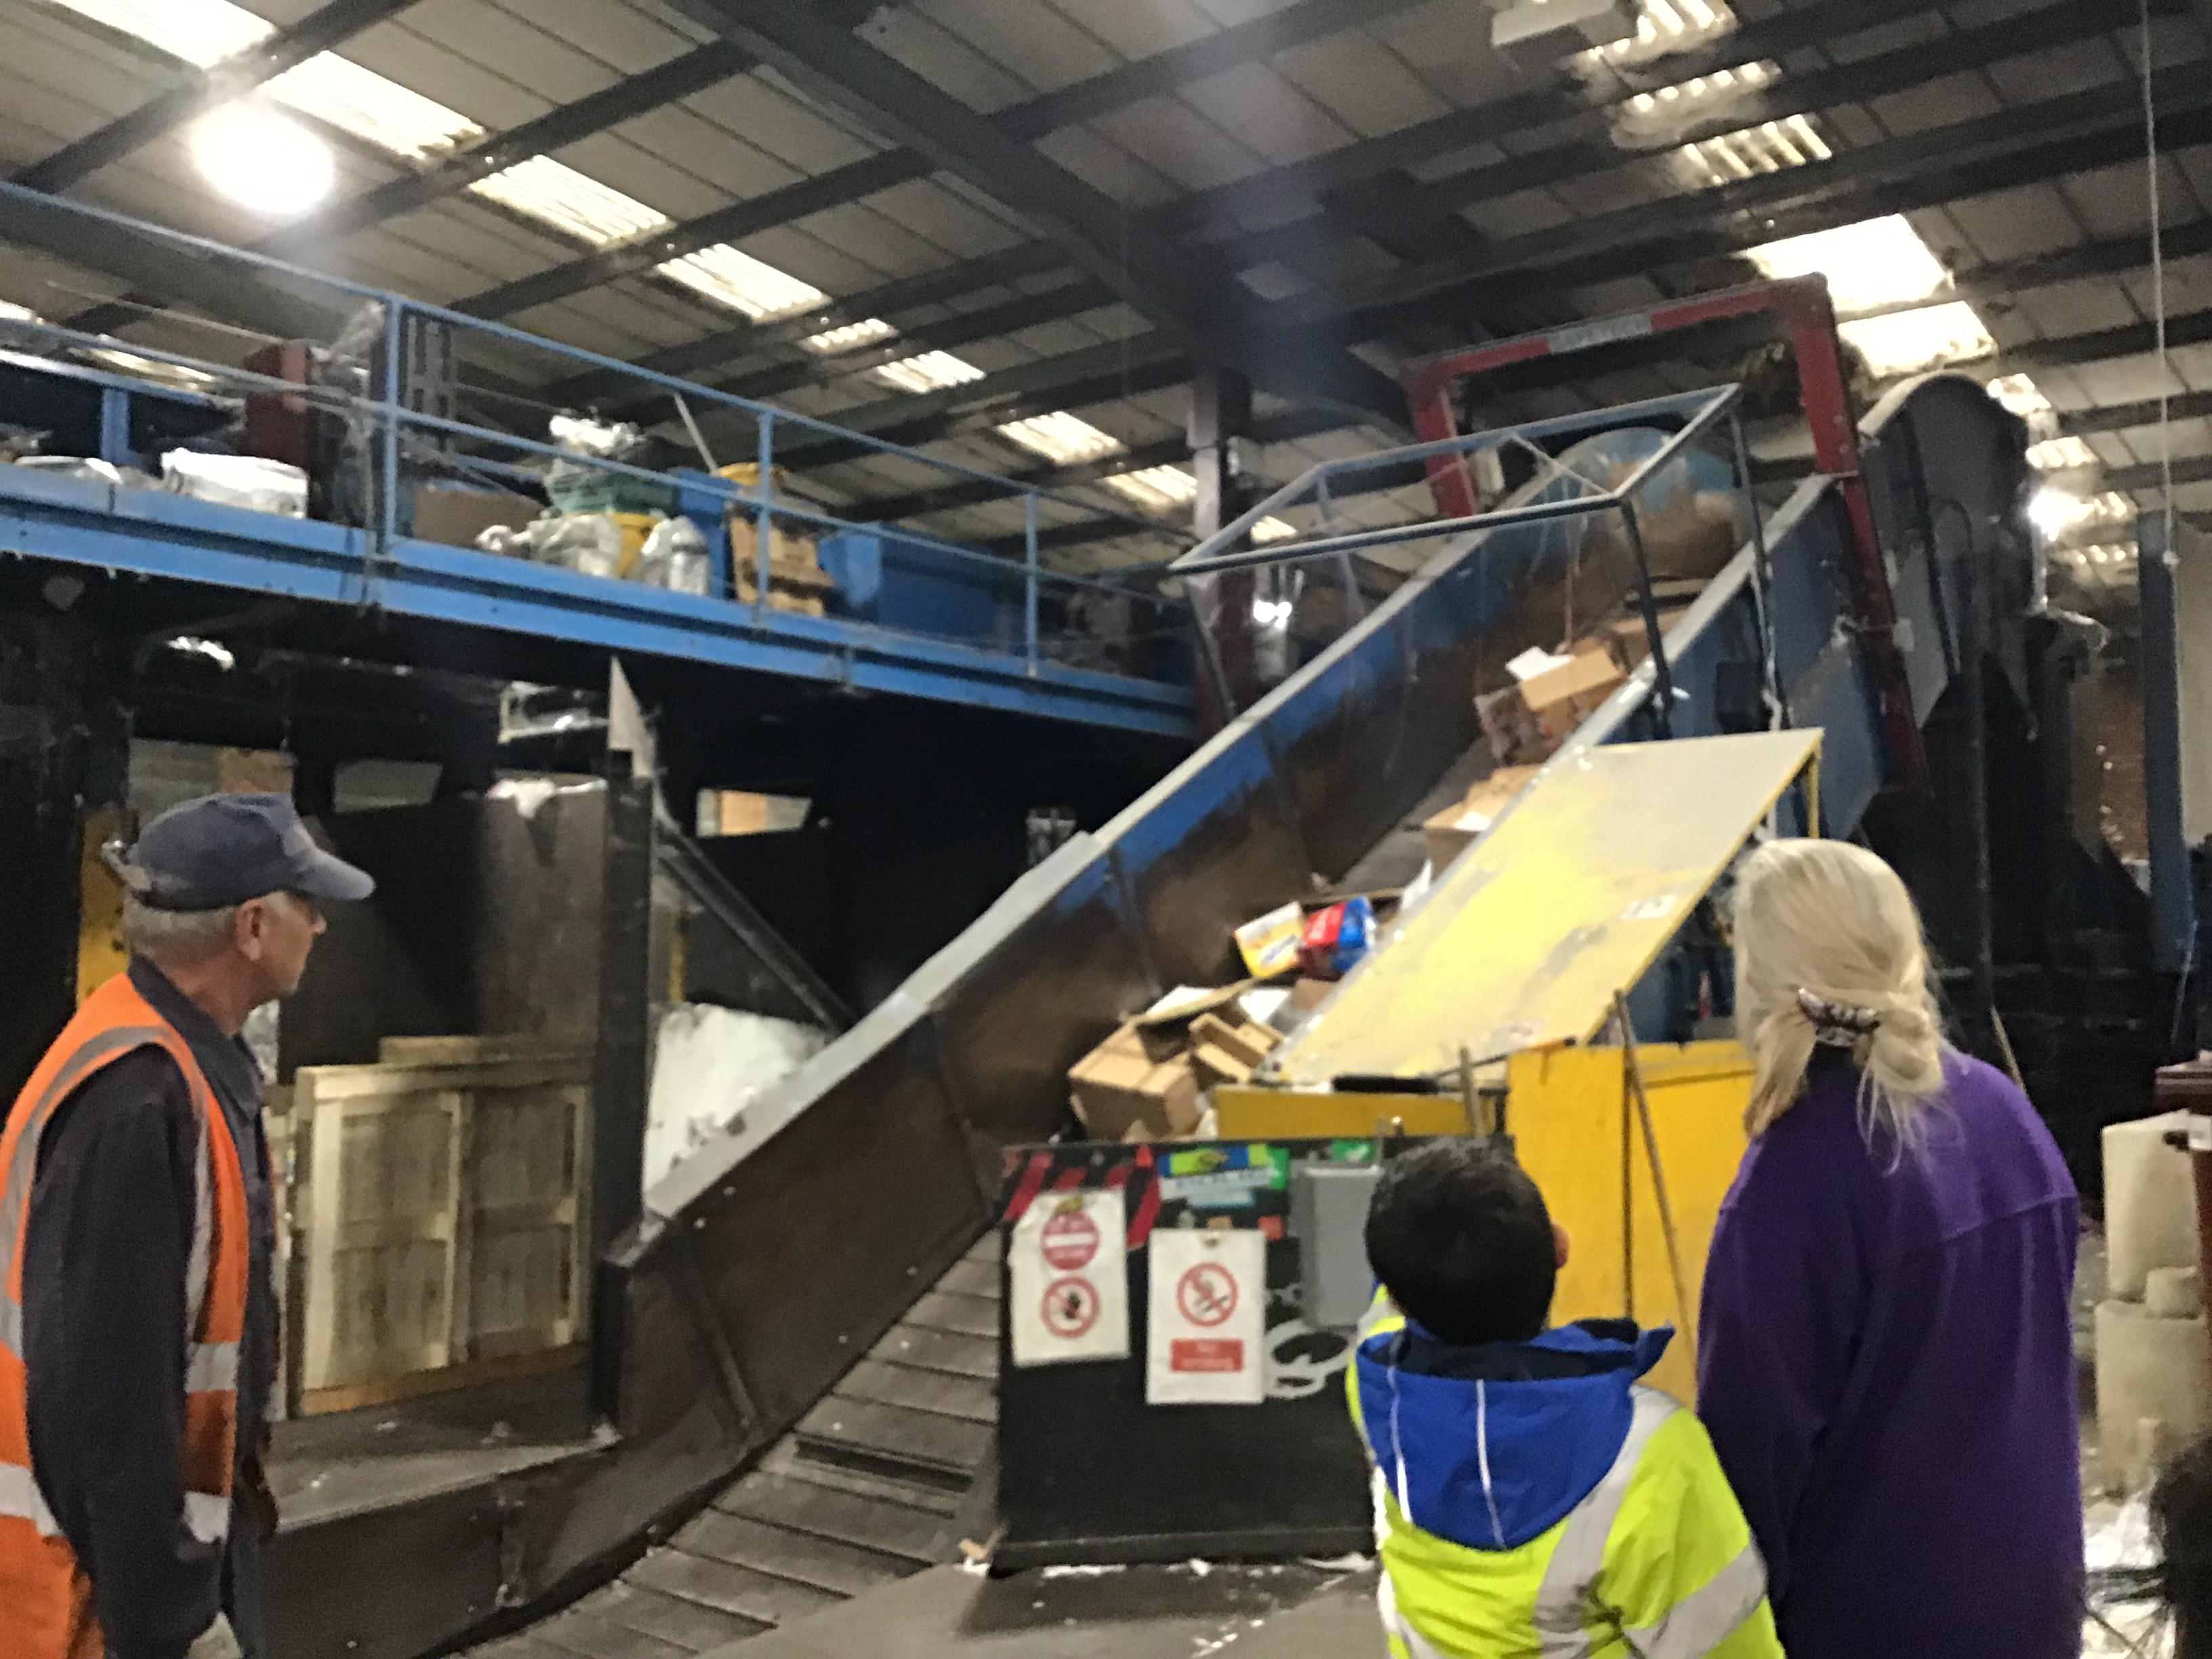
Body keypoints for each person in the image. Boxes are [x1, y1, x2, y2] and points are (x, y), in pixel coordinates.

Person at [0, 792, 375, 1659]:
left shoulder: (189, 1058)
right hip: (102, 1603)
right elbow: (106, 1402)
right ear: (252, 927)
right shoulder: (137, 1098)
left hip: (171, 1557)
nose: (320, 925)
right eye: (306, 903)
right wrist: (168, 1619)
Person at [1697, 837, 2082, 1658]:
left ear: (1762, 982)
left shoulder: (1795, 1185)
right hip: (2030, 1605)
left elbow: (1747, 1468)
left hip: (1872, 1620)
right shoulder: (2004, 1115)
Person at [1347, 1139, 1782, 1659]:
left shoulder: (1377, 1386)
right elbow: (1729, 1647)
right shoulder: (1649, 1452)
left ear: (1398, 1297)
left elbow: (1389, 1308)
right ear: (1560, 1247)